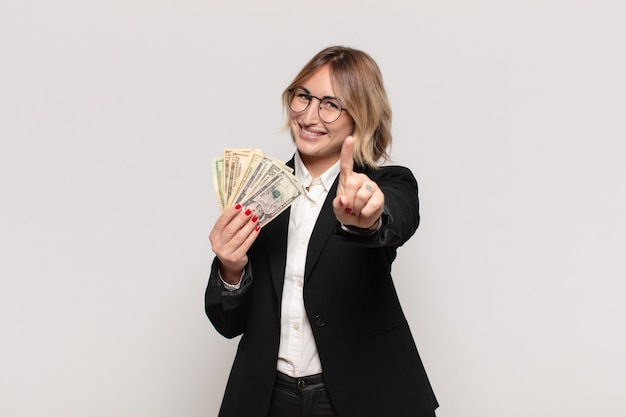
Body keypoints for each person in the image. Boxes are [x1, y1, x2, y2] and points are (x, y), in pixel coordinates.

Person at [205, 46, 438, 417]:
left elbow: (398, 216)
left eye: (331, 104)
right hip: (268, 399)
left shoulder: (387, 183)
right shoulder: (260, 192)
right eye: (303, 97)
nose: (310, 115)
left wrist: (369, 218)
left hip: (358, 396)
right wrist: (230, 271)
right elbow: (227, 323)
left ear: (359, 116)